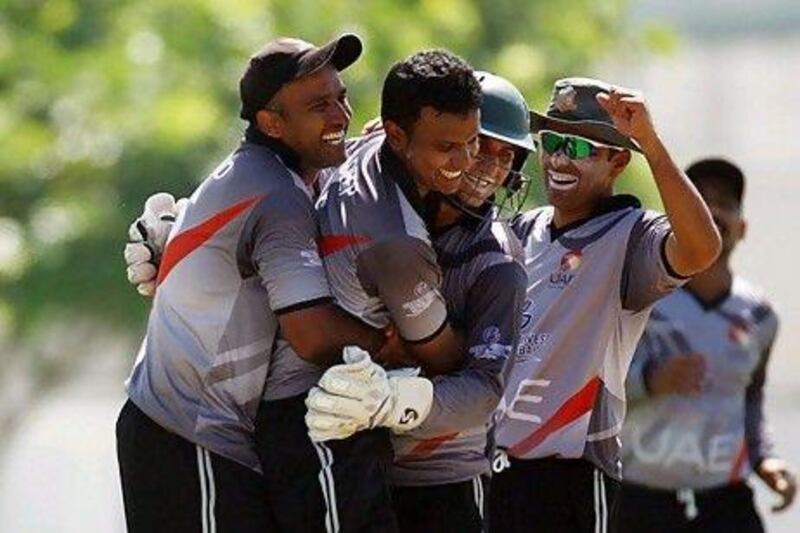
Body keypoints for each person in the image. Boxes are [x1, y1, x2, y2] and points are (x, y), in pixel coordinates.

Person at [116, 33, 401, 532]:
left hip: (182, 431)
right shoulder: (277, 194)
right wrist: (397, 348)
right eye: (318, 106)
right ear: (271, 122)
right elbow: (311, 333)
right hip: (188, 434)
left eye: (341, 97)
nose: (339, 115)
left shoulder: (266, 169)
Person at [487, 78, 722, 532]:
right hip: (489, 466)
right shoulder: (519, 229)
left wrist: (651, 145)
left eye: (576, 148)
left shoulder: (631, 236)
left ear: (617, 160)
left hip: (568, 473)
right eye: (551, 142)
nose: (557, 160)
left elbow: (700, 250)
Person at [305, 71, 533, 532]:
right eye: (480, 144)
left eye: (505, 154)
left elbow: (485, 390)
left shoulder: (497, 262)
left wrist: (392, 400)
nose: (488, 167)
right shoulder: (376, 197)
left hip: (441, 482)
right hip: (349, 467)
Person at [615, 158, 797, 532]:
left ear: (743, 227)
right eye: (700, 199)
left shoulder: (761, 315)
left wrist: (765, 458)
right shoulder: (639, 294)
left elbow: (751, 397)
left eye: (726, 203)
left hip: (723, 497)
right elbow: (594, 380)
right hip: (641, 495)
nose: (712, 211)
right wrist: (649, 380)